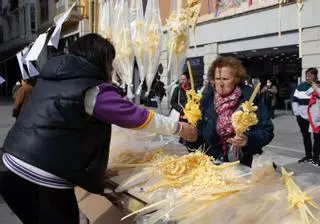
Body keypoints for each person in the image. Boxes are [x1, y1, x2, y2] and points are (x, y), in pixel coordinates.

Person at [0, 34, 197, 224]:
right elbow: (136, 117)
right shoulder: (90, 88)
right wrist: (179, 128)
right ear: (99, 61)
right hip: (39, 177)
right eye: (110, 65)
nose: (111, 72)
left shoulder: (54, 76)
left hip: (10, 165)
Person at [186, 56, 274, 167]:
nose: (221, 84)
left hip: (245, 164)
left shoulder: (250, 99)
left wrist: (248, 140)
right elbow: (199, 139)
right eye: (217, 79)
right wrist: (191, 138)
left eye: (225, 79)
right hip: (213, 165)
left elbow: (267, 131)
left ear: (236, 79)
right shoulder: (205, 100)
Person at [292, 67, 320, 166]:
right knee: (306, 137)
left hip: (316, 118)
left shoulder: (318, 86)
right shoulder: (300, 87)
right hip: (302, 117)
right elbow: (295, 100)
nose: (307, 77)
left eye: (310, 75)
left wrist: (315, 87)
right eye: (306, 75)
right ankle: (308, 156)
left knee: (317, 138)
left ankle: (316, 158)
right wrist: (297, 114)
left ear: (315, 76)